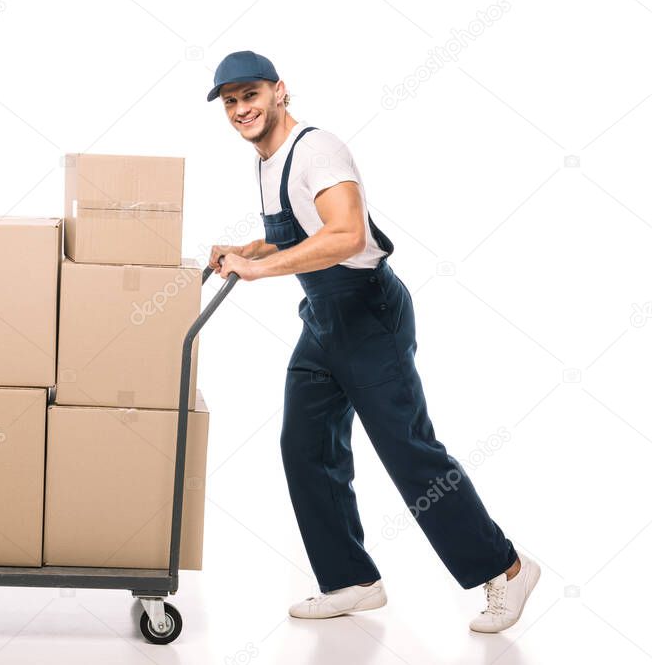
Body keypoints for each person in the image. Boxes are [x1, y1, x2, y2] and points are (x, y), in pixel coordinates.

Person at [205, 50, 539, 633]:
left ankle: (507, 570)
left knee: (410, 454)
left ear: (280, 91)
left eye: (250, 95)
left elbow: (345, 233)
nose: (241, 109)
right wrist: (253, 249)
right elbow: (300, 227)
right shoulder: (266, 159)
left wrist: (262, 270)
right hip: (323, 321)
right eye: (230, 102)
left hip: (368, 317)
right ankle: (350, 580)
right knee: (304, 445)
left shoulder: (318, 149)